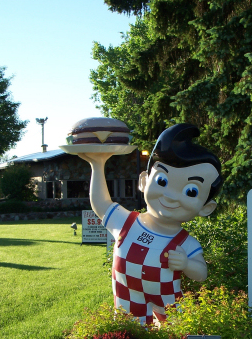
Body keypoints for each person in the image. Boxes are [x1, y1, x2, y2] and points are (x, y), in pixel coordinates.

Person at [78, 123, 223, 325]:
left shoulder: (184, 242)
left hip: (169, 301)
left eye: (191, 191)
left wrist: (187, 264)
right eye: (162, 181)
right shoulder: (127, 222)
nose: (171, 196)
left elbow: (201, 273)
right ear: (144, 182)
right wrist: (97, 165)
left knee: (175, 333)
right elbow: (101, 204)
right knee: (129, 333)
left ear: (206, 208)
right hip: (128, 298)